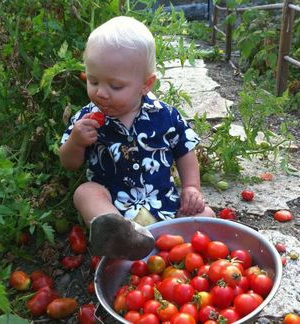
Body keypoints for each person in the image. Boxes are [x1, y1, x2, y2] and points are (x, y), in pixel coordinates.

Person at [59, 16, 215, 260]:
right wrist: (76, 141)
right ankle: (120, 237)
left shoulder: (165, 115)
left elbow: (185, 149)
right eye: (93, 80)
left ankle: (172, 247)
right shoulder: (87, 118)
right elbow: (69, 163)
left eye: (116, 86)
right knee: (85, 192)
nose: (100, 93)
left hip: (164, 205)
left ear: (146, 84)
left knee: (208, 215)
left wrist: (191, 187)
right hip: (115, 210)